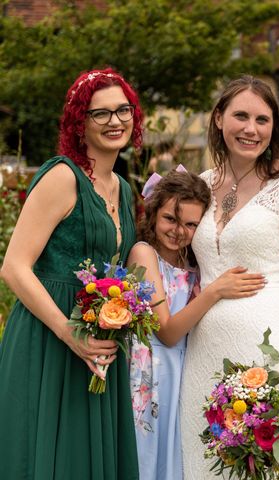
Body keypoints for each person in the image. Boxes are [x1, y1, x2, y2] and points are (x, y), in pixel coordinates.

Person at [179, 75, 279, 479]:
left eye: (262, 119)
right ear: (218, 119)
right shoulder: (201, 186)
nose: (251, 129)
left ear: (273, 127)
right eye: (240, 116)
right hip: (203, 354)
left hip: (269, 355)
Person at [0, 68, 143, 479]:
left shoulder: (123, 188)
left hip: (97, 341)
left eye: (123, 110)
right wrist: (69, 332)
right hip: (51, 336)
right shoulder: (63, 177)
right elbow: (14, 267)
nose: (115, 121)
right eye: (100, 114)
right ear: (79, 123)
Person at [127, 168, 266, 480]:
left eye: (191, 224)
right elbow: (168, 331)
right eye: (170, 219)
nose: (179, 231)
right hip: (149, 377)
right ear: (152, 213)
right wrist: (215, 291)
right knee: (147, 458)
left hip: (181, 375)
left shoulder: (190, 263)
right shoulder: (144, 254)